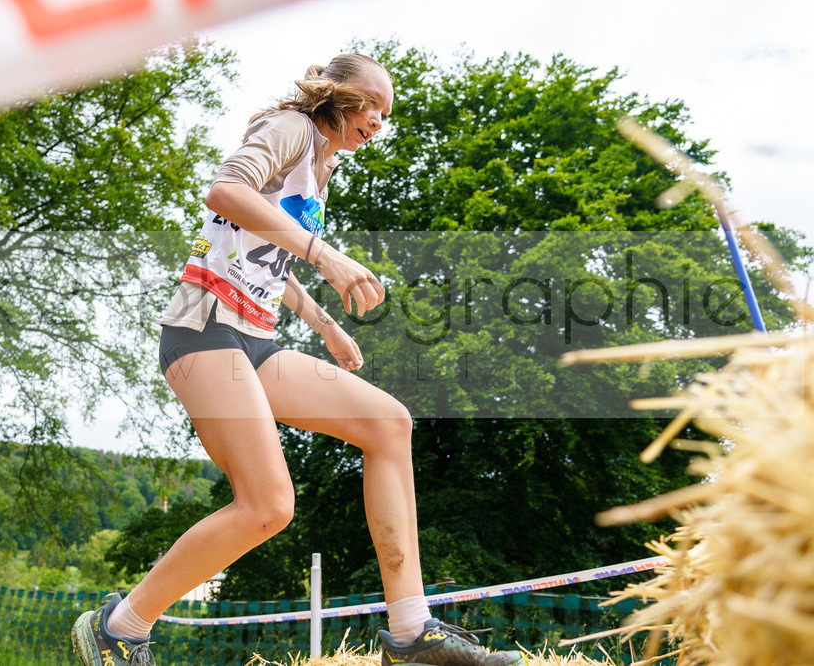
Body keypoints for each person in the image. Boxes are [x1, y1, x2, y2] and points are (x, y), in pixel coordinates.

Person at [72, 53, 523, 666]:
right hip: (203, 330)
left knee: (389, 424)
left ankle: (411, 633)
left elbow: (268, 256)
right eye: (373, 105)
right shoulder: (290, 128)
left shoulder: (320, 166)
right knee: (267, 506)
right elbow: (226, 193)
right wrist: (327, 256)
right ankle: (119, 627)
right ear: (337, 94)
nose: (379, 121)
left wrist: (324, 323)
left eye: (387, 114)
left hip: (255, 340)